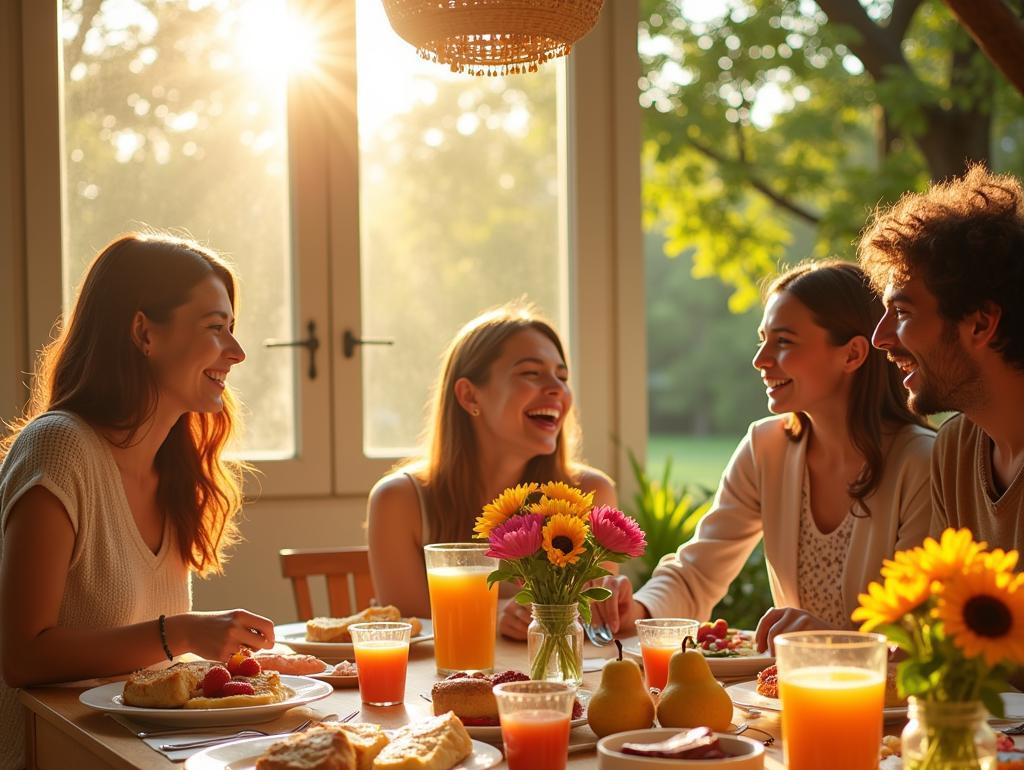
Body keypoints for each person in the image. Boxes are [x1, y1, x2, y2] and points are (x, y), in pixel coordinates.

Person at [0, 232, 276, 770]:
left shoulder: (175, 465)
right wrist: (183, 634)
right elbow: (25, 654)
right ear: (143, 330)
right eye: (215, 326)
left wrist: (214, 663)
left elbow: (147, 665)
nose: (237, 350)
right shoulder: (58, 448)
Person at [593, 260, 935, 651]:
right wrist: (636, 608)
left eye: (784, 342)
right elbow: (697, 572)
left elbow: (918, 635)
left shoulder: (922, 463)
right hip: (791, 697)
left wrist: (828, 641)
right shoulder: (766, 447)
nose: (760, 359)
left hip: (890, 707)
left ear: (853, 355)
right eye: (763, 339)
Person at [367, 302, 616, 639]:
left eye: (562, 376)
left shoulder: (591, 493)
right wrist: (496, 613)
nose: (558, 389)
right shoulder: (398, 501)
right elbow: (409, 633)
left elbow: (596, 630)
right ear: (470, 395)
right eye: (531, 373)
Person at [860, 164, 1024, 553]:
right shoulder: (955, 449)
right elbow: (939, 605)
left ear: (980, 324)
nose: (879, 338)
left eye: (902, 313)